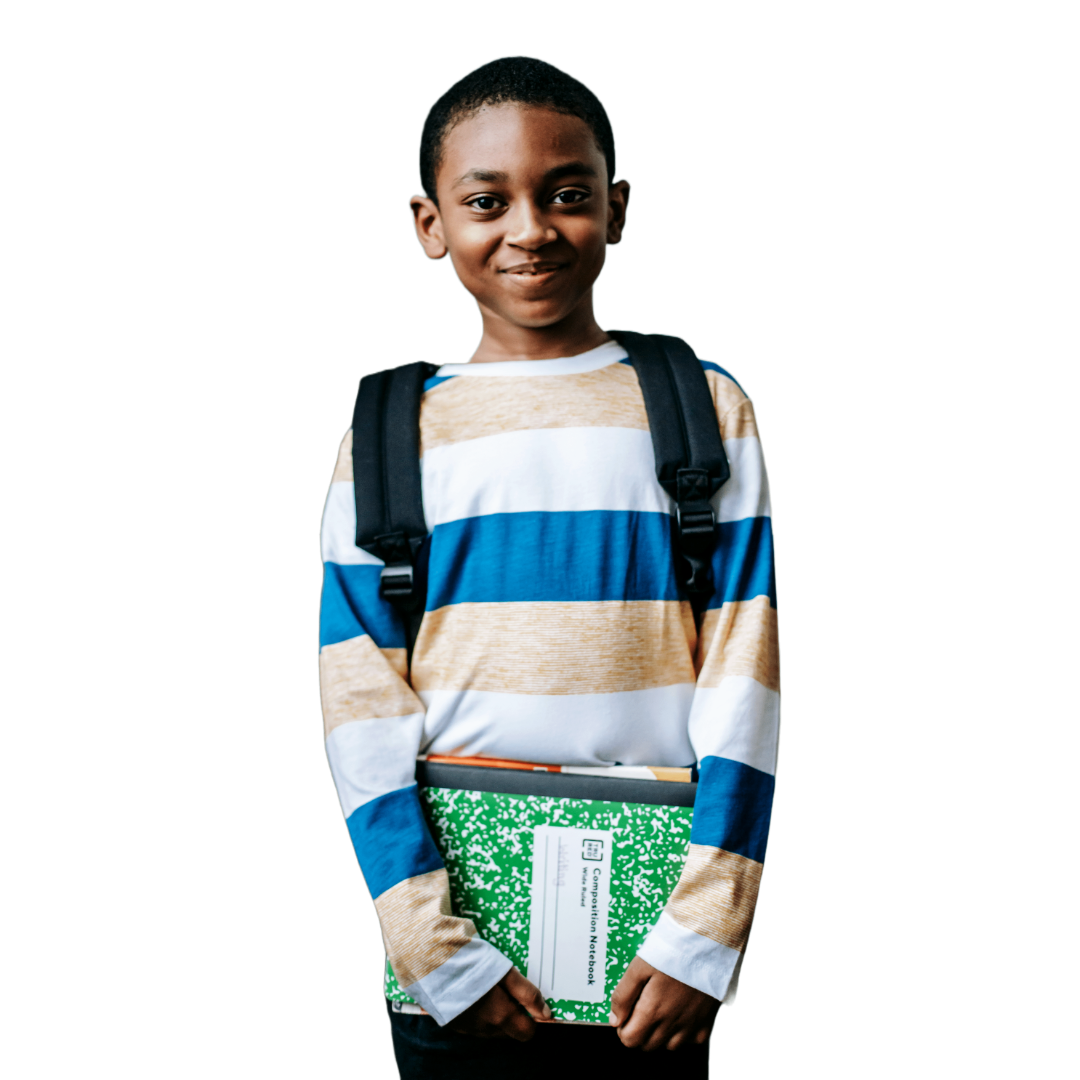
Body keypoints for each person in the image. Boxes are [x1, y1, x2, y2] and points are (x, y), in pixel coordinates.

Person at [318, 55, 779, 1079]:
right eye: (487, 201)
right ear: (430, 224)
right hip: (453, 959)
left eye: (567, 194)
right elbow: (358, 705)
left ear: (618, 208)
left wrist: (705, 935)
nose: (530, 228)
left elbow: (745, 679)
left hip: (652, 961)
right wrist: (431, 947)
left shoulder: (704, 405)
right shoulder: (390, 433)